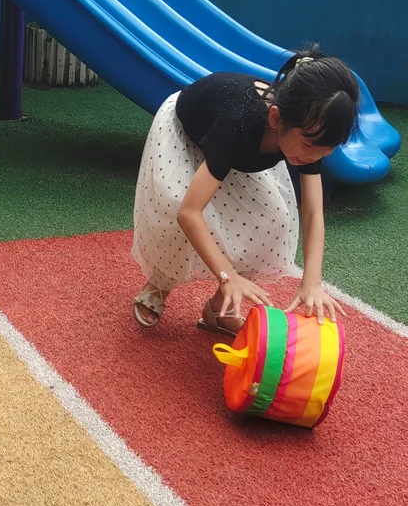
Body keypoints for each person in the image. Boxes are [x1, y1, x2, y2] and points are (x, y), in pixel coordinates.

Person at [131, 47, 358, 335]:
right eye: (310, 147)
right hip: (188, 134)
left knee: (274, 220)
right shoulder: (238, 124)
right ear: (276, 119)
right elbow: (189, 213)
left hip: (242, 152)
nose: (314, 158)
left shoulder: (309, 138)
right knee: (177, 205)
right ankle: (160, 284)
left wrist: (312, 281)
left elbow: (313, 212)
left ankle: (219, 309)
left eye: (325, 152)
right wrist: (227, 275)